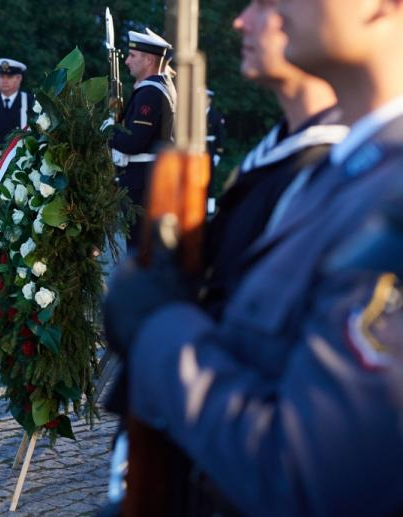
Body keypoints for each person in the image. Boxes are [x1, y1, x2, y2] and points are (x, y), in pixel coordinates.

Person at [104, 0, 403, 513]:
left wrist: (160, 328)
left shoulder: (385, 197)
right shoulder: (335, 177)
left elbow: (310, 482)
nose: (246, 19)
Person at [201, 0, 348, 317]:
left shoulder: (341, 168)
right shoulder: (273, 154)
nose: (241, 22)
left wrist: (159, 327)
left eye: (266, 4)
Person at [108, 29, 176, 250]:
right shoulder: (158, 87)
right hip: (150, 178)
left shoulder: (151, 92)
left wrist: (109, 132)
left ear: (148, 60)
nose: (127, 61)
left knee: (140, 251)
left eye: (132, 56)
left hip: (144, 183)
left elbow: (133, 142)